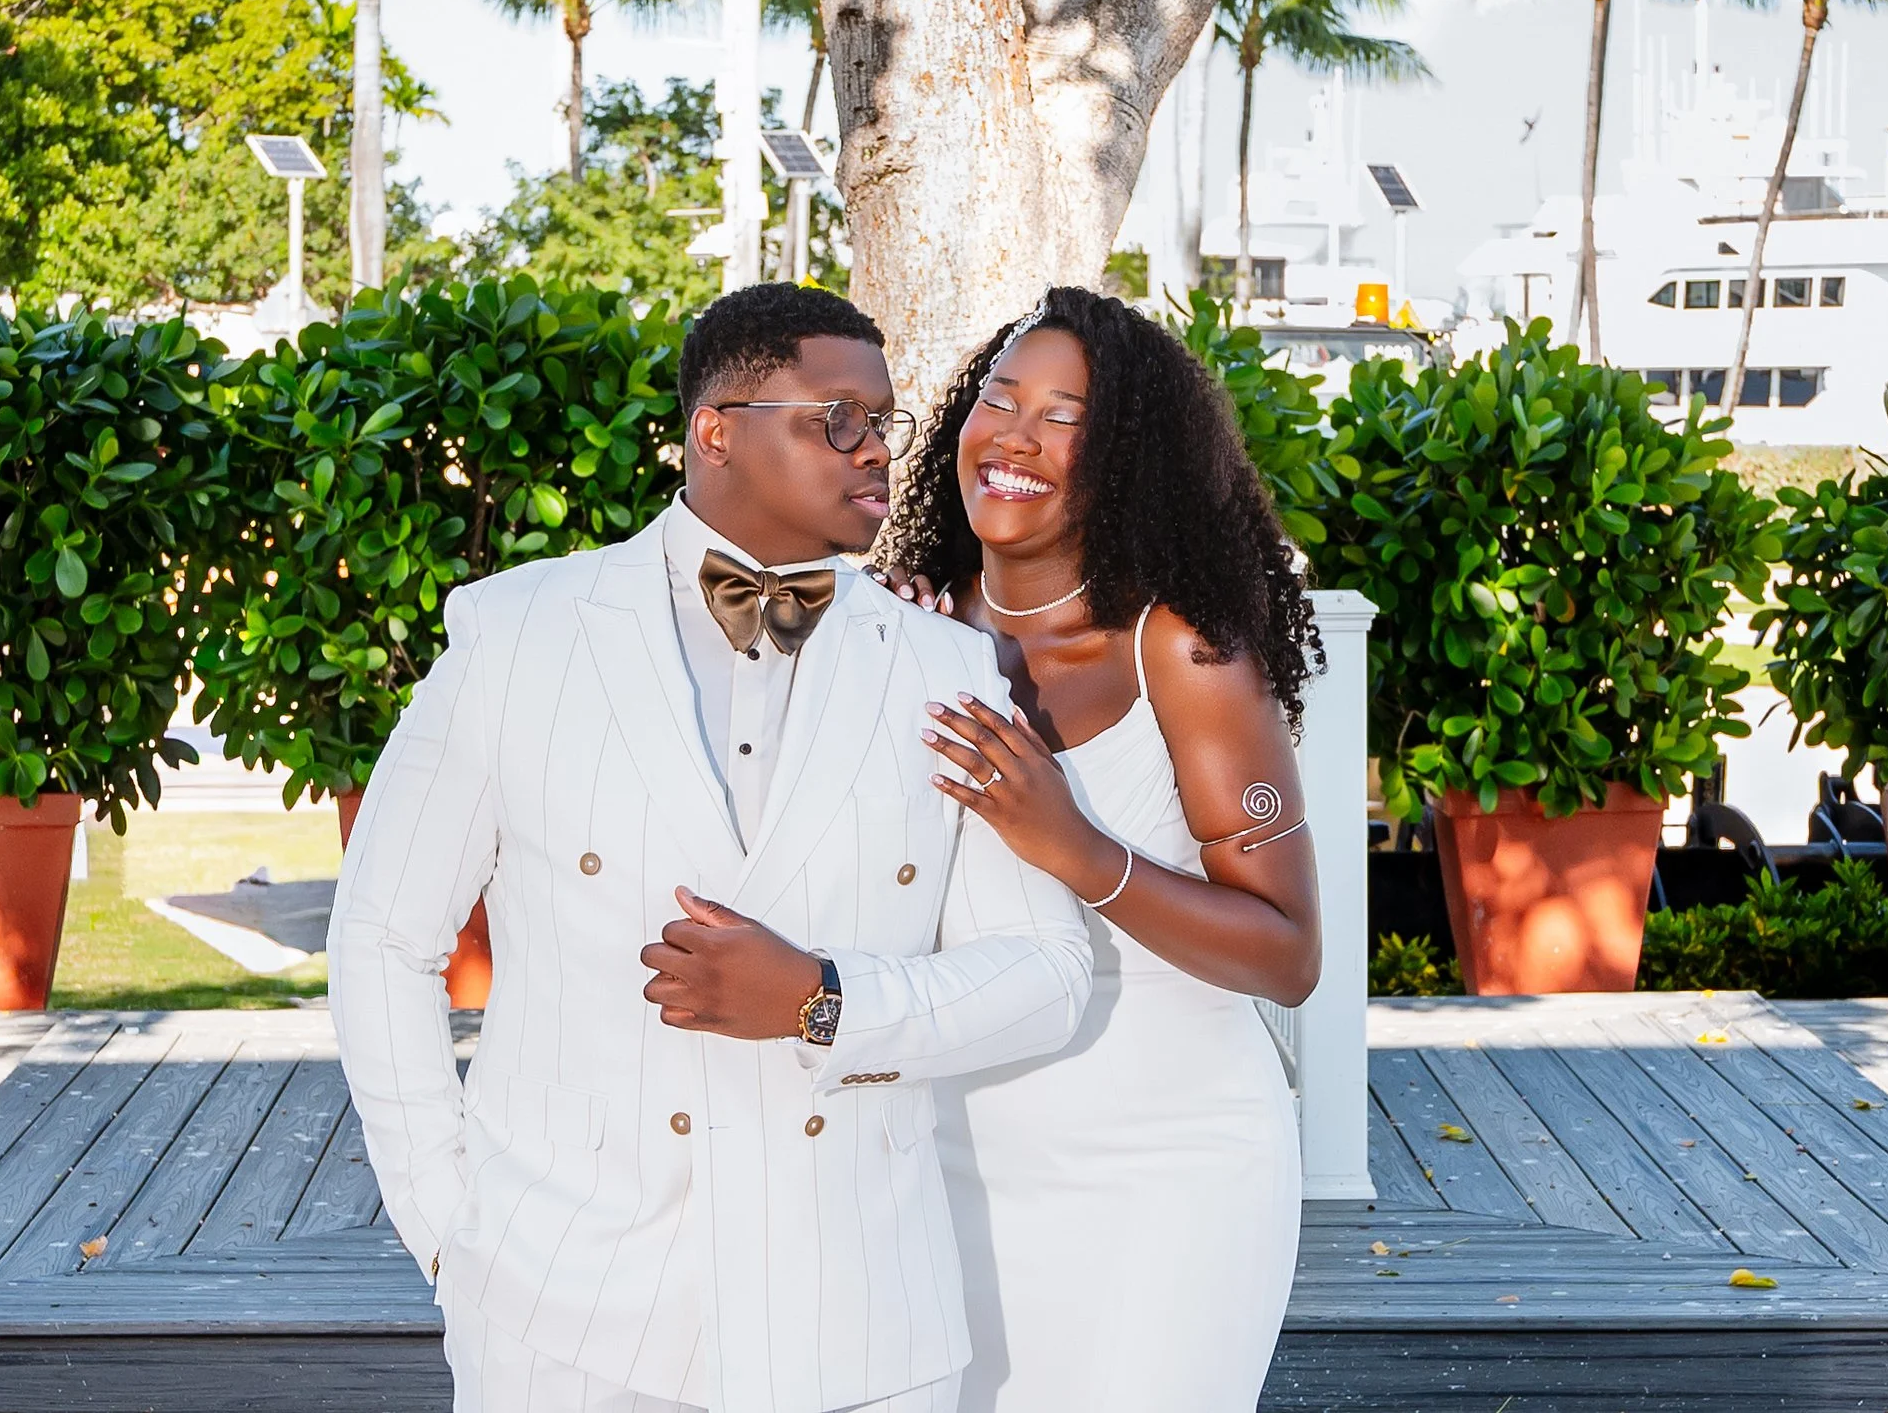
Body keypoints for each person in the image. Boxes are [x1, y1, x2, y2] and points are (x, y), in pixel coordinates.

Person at [328, 283, 1094, 1413]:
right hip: (565, 1314)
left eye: (886, 422)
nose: (877, 450)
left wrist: (822, 1002)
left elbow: (1048, 974)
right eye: (840, 419)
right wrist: (451, 1231)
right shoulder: (515, 636)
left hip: (859, 1326)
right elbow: (381, 938)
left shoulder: (945, 669)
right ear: (717, 429)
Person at [881, 285, 1324, 1413]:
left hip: (1164, 1170)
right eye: (999, 397)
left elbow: (1287, 952)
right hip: (945, 1159)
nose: (1015, 436)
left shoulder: (1178, 650)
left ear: (1126, 457)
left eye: (1064, 417)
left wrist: (1078, 847)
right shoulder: (898, 634)